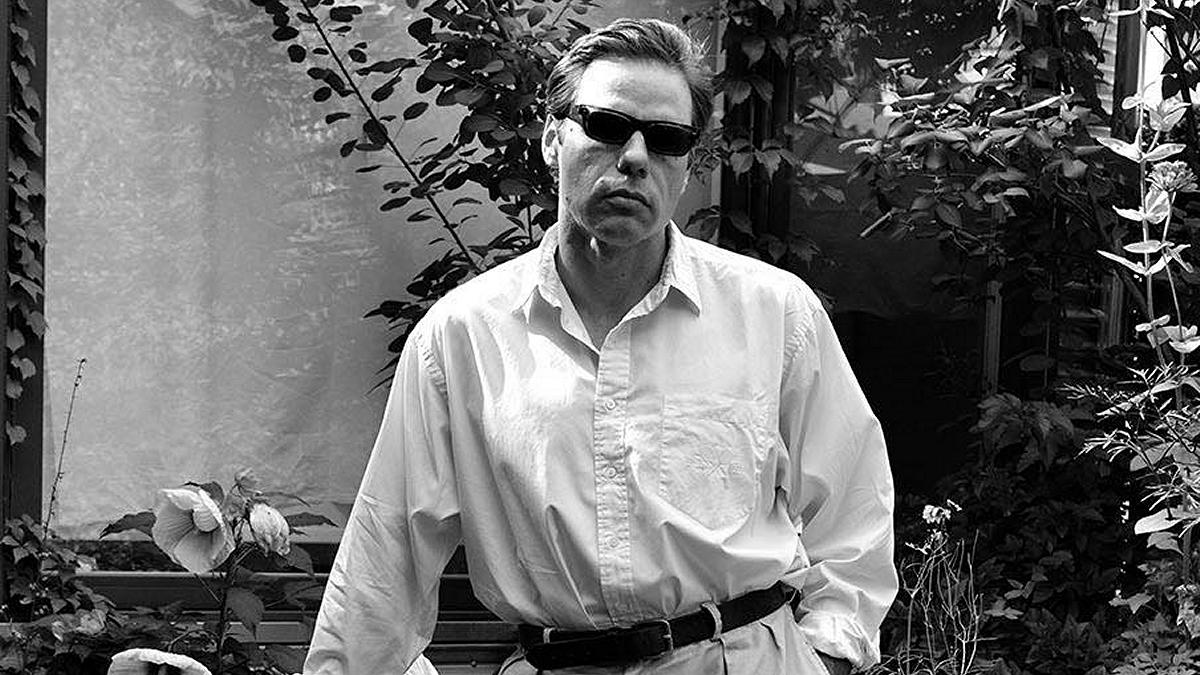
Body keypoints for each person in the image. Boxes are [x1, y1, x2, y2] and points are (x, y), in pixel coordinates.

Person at [304, 17, 896, 675]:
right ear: (552, 138)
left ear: (686, 164)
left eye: (667, 139)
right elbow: (386, 556)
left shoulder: (775, 314)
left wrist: (828, 656)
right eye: (608, 126)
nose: (636, 157)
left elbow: (853, 513)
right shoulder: (462, 338)